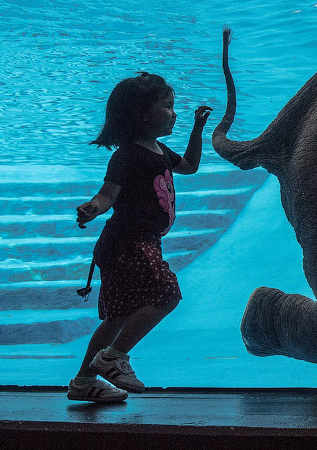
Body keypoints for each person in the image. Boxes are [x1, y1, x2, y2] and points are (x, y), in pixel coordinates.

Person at [66, 72, 212, 403]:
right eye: (168, 106)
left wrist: (198, 129)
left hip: (141, 242)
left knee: (118, 315)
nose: (174, 112)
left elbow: (188, 165)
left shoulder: (158, 149)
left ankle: (83, 381)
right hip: (128, 242)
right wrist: (93, 207)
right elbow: (108, 194)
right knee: (167, 294)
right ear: (142, 114)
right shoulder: (129, 154)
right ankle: (113, 357)